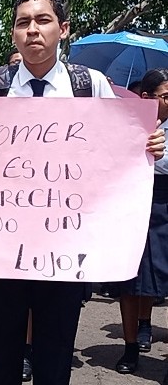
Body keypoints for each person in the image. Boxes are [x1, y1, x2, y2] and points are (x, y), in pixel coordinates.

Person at [0, 0, 165, 384]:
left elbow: (116, 152)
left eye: (43, 21)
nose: (33, 31)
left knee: (55, 351)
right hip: (1, 248)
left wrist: (148, 146)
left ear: (64, 28)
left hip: (66, 249)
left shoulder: (89, 85)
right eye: (23, 23)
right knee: (1, 348)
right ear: (13, 33)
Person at [116, 68, 168, 374]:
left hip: (164, 202)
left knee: (159, 277)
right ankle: (131, 346)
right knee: (132, 279)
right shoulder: (129, 126)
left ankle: (147, 326)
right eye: (165, 96)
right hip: (134, 203)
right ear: (146, 98)